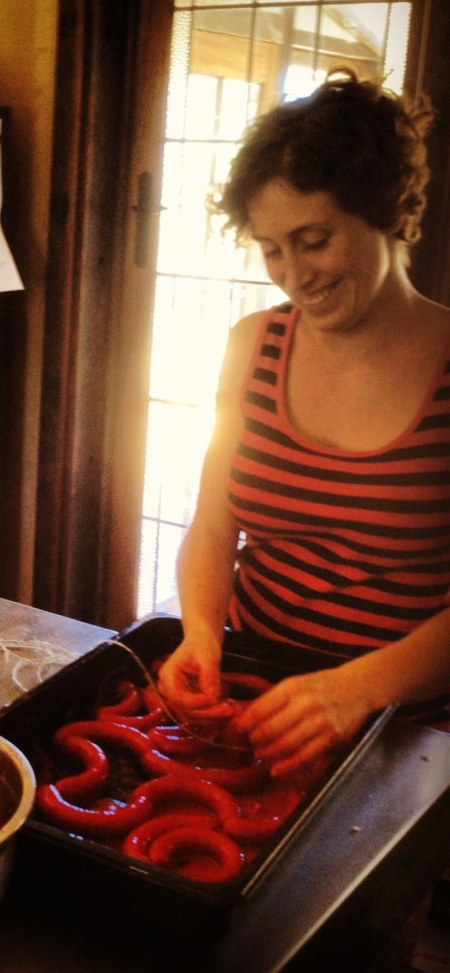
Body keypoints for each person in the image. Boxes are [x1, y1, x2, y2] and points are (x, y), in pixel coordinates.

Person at [157, 69, 450, 779]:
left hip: (404, 736)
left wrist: (357, 689)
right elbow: (214, 524)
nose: (293, 274)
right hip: (258, 704)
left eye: (313, 240)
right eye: (271, 249)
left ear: (383, 211)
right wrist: (201, 632)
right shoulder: (252, 345)